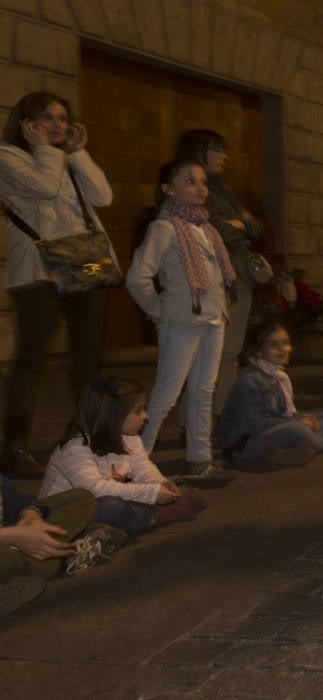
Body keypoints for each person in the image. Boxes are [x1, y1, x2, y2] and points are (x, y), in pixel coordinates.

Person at [0, 92, 114, 477]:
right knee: (32, 357)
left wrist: (78, 154)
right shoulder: (8, 155)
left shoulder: (63, 158)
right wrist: (46, 150)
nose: (58, 125)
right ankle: (14, 447)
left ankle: (82, 435)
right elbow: (44, 188)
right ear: (26, 123)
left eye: (63, 118)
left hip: (86, 263)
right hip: (37, 269)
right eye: (47, 117)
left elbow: (103, 196)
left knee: (88, 355)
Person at [127, 159, 236, 484]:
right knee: (166, 394)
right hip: (181, 323)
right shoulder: (164, 227)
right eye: (190, 181)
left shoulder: (207, 229)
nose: (200, 187)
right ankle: (137, 464)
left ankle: (199, 459)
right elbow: (137, 277)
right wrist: (160, 311)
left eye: (203, 181)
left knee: (204, 391)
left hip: (213, 320)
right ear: (167, 189)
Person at [40, 377, 206, 534]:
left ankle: (97, 534)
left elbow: (141, 466)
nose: (145, 417)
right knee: (110, 506)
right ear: (113, 415)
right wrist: (149, 493)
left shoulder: (130, 438)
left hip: (97, 505)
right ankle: (155, 515)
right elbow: (94, 491)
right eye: (138, 411)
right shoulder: (75, 449)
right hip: (60, 515)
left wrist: (158, 482)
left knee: (119, 501)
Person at [175, 130, 265, 417]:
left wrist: (237, 224)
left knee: (229, 353)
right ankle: (192, 420)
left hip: (238, 278)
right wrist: (237, 225)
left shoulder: (225, 191)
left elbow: (257, 228)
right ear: (199, 151)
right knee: (204, 354)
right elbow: (210, 230)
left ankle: (220, 416)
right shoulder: (188, 186)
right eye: (218, 149)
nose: (225, 156)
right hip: (208, 278)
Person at [220, 323, 323, 467]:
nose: (282, 349)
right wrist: (295, 421)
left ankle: (282, 452)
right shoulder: (249, 381)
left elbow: (283, 414)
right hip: (244, 444)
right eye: (274, 344)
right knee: (295, 429)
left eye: (285, 343)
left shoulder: (278, 375)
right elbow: (254, 424)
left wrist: (297, 418)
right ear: (258, 352)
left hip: (272, 431)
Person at [1, 474, 126, 614]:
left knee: (80, 497)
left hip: (10, 531)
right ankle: (65, 553)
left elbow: (7, 492)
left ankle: (50, 552)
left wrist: (30, 513)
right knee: (9, 558)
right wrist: (11, 536)